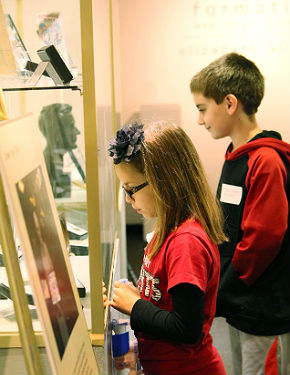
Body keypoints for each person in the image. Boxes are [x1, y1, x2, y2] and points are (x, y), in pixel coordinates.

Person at [190, 52, 290, 375]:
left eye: (203, 109)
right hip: (239, 304)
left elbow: (262, 240)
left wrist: (223, 287)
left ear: (230, 103)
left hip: (263, 312)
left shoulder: (266, 161)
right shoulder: (235, 156)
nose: (200, 120)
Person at [107, 120, 228, 375]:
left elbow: (186, 328)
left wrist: (135, 305)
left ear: (163, 182)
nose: (129, 200)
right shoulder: (168, 229)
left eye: (131, 190)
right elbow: (167, 301)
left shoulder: (186, 243)